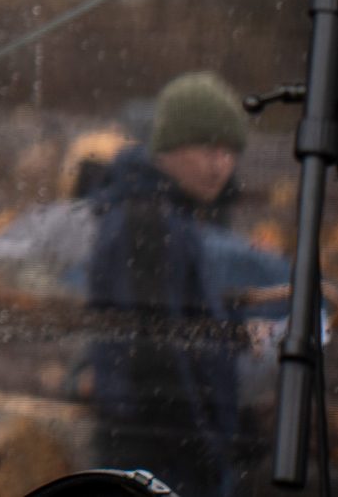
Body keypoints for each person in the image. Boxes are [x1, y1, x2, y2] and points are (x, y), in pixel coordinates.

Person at [85, 71, 258, 497]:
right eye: (208, 148)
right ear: (169, 146)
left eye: (230, 152)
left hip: (165, 453)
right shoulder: (149, 223)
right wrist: (205, 453)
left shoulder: (172, 216)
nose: (221, 165)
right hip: (158, 460)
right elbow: (153, 358)